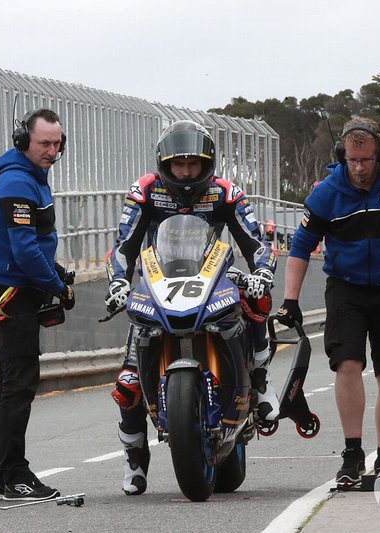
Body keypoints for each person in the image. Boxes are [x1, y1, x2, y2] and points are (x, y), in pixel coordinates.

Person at [104, 120, 279, 495]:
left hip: (214, 277)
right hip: (158, 281)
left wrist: (261, 271)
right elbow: (124, 245)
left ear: (208, 164)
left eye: (193, 165)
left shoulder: (226, 193)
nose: (185, 173)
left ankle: (261, 383)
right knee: (127, 383)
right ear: (164, 164)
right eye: (179, 165)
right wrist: (118, 281)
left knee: (255, 298)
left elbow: (255, 243)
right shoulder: (145, 191)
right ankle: (134, 461)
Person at [277, 117, 380, 486]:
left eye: (367, 160)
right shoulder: (325, 193)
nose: (360, 168)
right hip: (346, 289)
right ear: (342, 156)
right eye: (353, 161)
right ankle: (351, 454)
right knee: (347, 364)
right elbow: (300, 248)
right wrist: (290, 300)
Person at [0, 108, 75, 502]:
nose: (51, 151)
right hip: (10, 292)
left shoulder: (31, 176)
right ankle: (15, 475)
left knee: (6, 385)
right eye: (44, 144)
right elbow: (23, 248)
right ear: (24, 141)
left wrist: (55, 271)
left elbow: (34, 244)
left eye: (57, 144)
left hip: (10, 286)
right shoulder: (18, 182)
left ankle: (1, 476)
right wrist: (56, 285)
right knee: (18, 385)